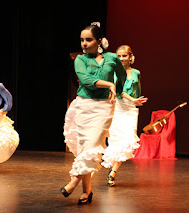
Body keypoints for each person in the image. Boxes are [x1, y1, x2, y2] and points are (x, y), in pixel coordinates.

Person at [61, 22, 126, 205]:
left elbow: (121, 76)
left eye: (88, 40)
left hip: (104, 107)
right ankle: (87, 192)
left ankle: (74, 180)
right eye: (82, 40)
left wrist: (118, 91)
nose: (84, 43)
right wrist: (109, 84)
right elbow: (86, 80)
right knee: (85, 148)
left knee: (91, 145)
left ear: (99, 41)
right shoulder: (80, 60)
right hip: (84, 106)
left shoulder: (112, 58)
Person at [101, 45, 148, 186]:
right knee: (117, 141)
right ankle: (113, 172)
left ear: (130, 56)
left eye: (124, 56)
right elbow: (119, 91)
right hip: (118, 107)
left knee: (128, 141)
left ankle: (113, 171)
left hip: (131, 108)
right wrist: (132, 99)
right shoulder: (114, 73)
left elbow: (137, 90)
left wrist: (137, 101)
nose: (121, 58)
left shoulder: (136, 73)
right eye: (119, 56)